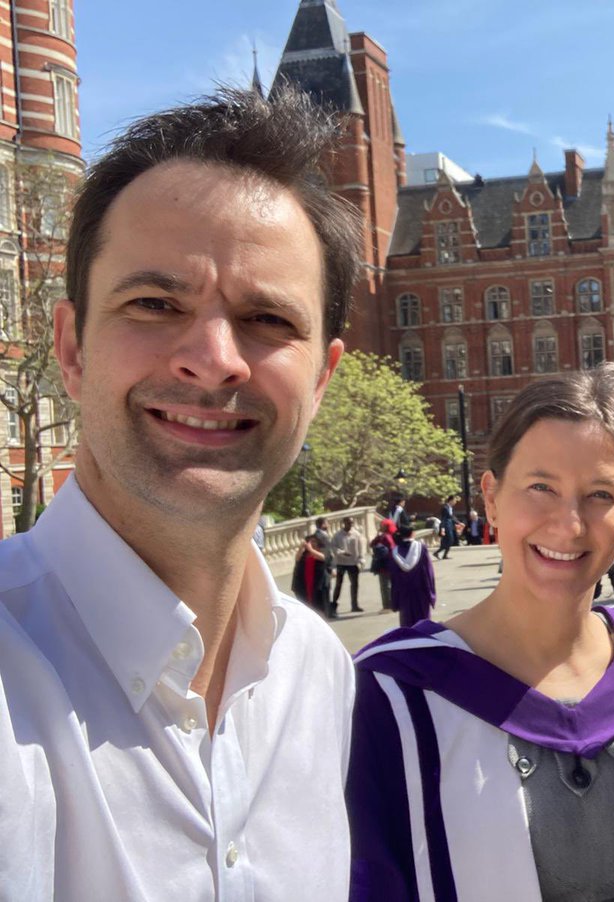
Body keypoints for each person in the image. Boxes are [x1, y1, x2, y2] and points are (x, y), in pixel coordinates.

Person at [0, 87, 359, 899]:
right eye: (155, 304)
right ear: (72, 347)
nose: (213, 357)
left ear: (323, 378)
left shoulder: (321, 675)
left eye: (268, 319)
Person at [347, 364, 614, 901]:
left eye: (600, 494)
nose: (569, 524)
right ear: (491, 497)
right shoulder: (391, 695)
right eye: (541, 487)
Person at [386, 524, 437, 627]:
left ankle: (409, 639)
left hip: (404, 592)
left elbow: (393, 577)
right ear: (412, 533)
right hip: (421, 590)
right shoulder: (421, 548)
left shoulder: (394, 552)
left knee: (407, 619)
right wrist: (431, 593)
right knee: (423, 619)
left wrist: (395, 598)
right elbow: (428, 571)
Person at [332, 516, 366, 613]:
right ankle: (334, 605)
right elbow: (333, 547)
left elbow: (361, 548)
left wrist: (361, 559)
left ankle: (354, 605)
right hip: (341, 562)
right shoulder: (337, 535)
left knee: (354, 584)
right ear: (344, 523)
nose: (350, 525)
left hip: (353, 562)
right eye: (348, 523)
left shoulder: (356, 534)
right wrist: (341, 552)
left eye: (352, 523)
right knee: (338, 584)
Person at [292, 530, 328, 609]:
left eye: (314, 541)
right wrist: (301, 547)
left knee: (317, 606)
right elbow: (297, 558)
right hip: (302, 585)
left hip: (316, 585)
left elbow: (322, 557)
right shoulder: (303, 554)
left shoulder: (321, 552)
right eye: (310, 541)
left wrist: (311, 549)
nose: (312, 543)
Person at [369, 518, 398, 611]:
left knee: (385, 586)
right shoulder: (392, 535)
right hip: (391, 563)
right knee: (390, 585)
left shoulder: (384, 537)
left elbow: (372, 544)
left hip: (384, 564)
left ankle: (387, 606)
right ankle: (392, 604)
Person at [434, 494, 461, 560]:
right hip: (446, 527)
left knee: (449, 541)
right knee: (450, 540)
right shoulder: (445, 508)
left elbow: (452, 517)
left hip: (450, 526)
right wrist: (442, 528)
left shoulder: (450, 508)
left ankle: (442, 554)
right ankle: (440, 553)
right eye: (454, 500)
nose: (455, 502)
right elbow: (446, 518)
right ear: (451, 500)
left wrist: (458, 522)